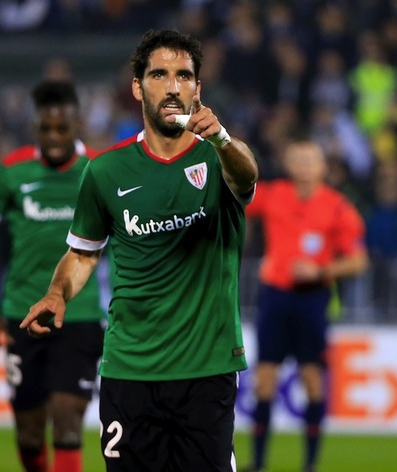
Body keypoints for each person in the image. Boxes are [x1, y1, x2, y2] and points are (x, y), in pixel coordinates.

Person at [20, 29, 259, 472]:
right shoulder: (106, 170)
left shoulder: (218, 159)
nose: (173, 86)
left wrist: (223, 139)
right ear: (137, 86)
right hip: (130, 370)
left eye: (184, 76)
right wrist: (57, 293)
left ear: (198, 88)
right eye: (159, 75)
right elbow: (83, 253)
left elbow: (247, 178)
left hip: (205, 369)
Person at [0, 80, 106, 472]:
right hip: (22, 315)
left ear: (78, 124)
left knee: (68, 418)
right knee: (28, 431)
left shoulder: (99, 170)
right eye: (46, 129)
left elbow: (126, 240)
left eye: (63, 128)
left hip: (80, 315)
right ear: (35, 128)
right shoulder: (10, 173)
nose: (55, 137)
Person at [243, 133, 369, 472]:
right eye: (297, 159)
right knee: (264, 378)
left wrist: (320, 270)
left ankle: (310, 464)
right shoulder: (273, 195)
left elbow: (358, 260)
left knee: (312, 379)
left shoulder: (338, 206)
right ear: (287, 164)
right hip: (276, 295)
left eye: (310, 160)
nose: (303, 165)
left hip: (313, 298)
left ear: (323, 167)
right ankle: (257, 462)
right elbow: (236, 199)